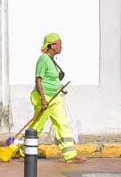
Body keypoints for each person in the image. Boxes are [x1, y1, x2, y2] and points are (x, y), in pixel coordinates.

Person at [30, 32, 83, 162]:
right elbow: (38, 80)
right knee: (37, 126)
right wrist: (43, 99)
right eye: (59, 44)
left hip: (55, 98)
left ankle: (70, 155)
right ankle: (23, 149)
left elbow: (51, 79)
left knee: (62, 124)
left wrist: (59, 88)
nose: (61, 47)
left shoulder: (51, 60)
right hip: (46, 98)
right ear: (52, 45)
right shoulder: (43, 59)